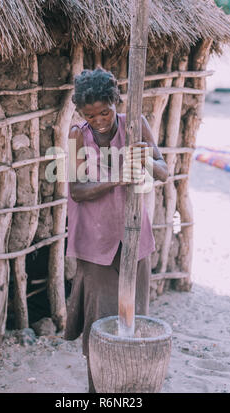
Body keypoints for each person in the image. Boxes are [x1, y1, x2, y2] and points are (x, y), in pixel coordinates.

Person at [64, 67, 168, 392]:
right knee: (100, 323)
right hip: (95, 243)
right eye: (90, 115)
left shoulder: (136, 126)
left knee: (132, 321)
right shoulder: (77, 135)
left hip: (134, 237)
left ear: (116, 102)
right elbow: (76, 190)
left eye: (105, 112)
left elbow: (163, 171)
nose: (99, 120)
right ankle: (98, 391)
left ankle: (129, 388)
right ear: (82, 113)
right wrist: (117, 178)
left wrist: (144, 160)